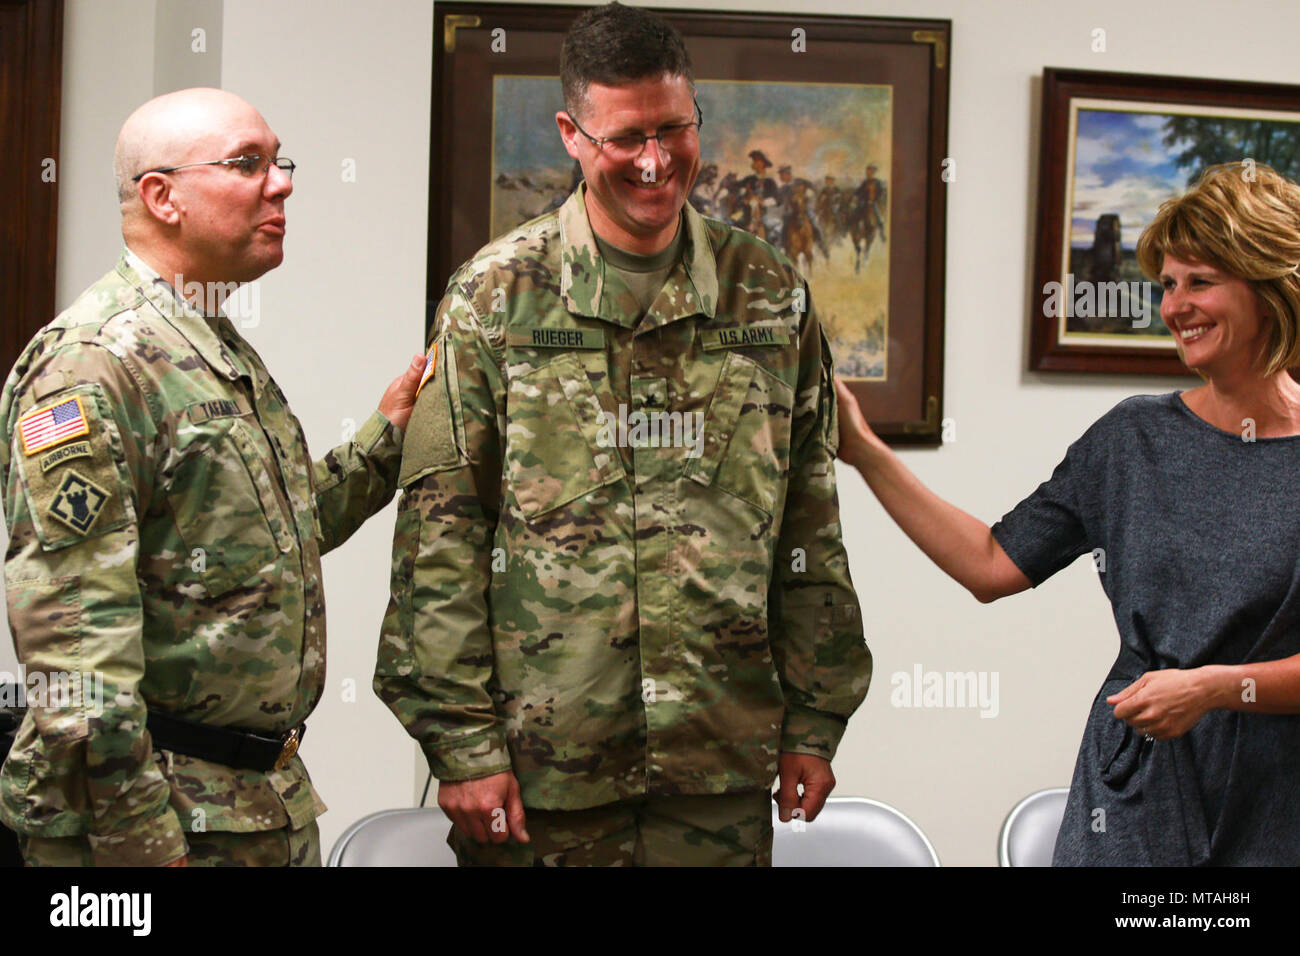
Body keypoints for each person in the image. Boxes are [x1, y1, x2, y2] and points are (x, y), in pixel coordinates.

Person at [375, 1, 870, 867]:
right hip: (543, 772)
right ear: (571, 132)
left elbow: (809, 523)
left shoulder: (767, 291)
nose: (655, 161)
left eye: (674, 129)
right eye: (625, 137)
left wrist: (817, 716)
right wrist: (460, 744)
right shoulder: (496, 297)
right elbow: (439, 539)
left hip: (717, 763)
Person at [0, 87, 424, 866]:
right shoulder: (94, 365)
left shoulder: (208, 344)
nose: (283, 182)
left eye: (279, 161)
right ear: (162, 196)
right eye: (247, 164)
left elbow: (265, 538)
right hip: (155, 820)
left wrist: (386, 438)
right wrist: (141, 846)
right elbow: (73, 642)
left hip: (250, 804)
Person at [834, 161, 1300, 866]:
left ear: (1270, 287)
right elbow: (991, 564)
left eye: (1200, 282)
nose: (1175, 308)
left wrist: (1214, 688)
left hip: (1278, 800)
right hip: (1138, 797)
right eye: (1167, 286)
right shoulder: (1131, 441)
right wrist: (867, 453)